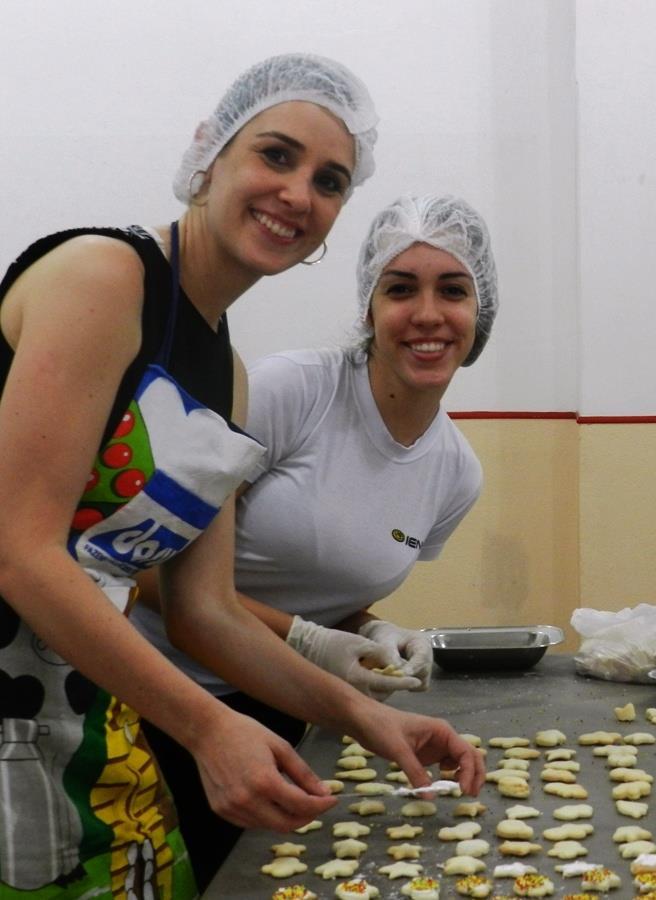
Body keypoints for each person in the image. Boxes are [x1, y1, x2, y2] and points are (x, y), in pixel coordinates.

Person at [0, 57, 482, 900]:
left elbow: (204, 609)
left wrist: (370, 717)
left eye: (329, 180)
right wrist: (208, 724)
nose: (298, 193)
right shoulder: (106, 278)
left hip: (79, 717)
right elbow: (20, 552)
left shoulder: (224, 379)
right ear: (209, 154)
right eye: (276, 155)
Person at [131, 193, 497, 884]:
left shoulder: (455, 473)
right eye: (399, 289)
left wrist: (372, 630)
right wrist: (309, 639)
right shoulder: (291, 393)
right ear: (368, 307)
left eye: (452, 290)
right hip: (161, 700)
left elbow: (322, 590)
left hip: (284, 704)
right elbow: (146, 570)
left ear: (480, 314)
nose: (427, 314)